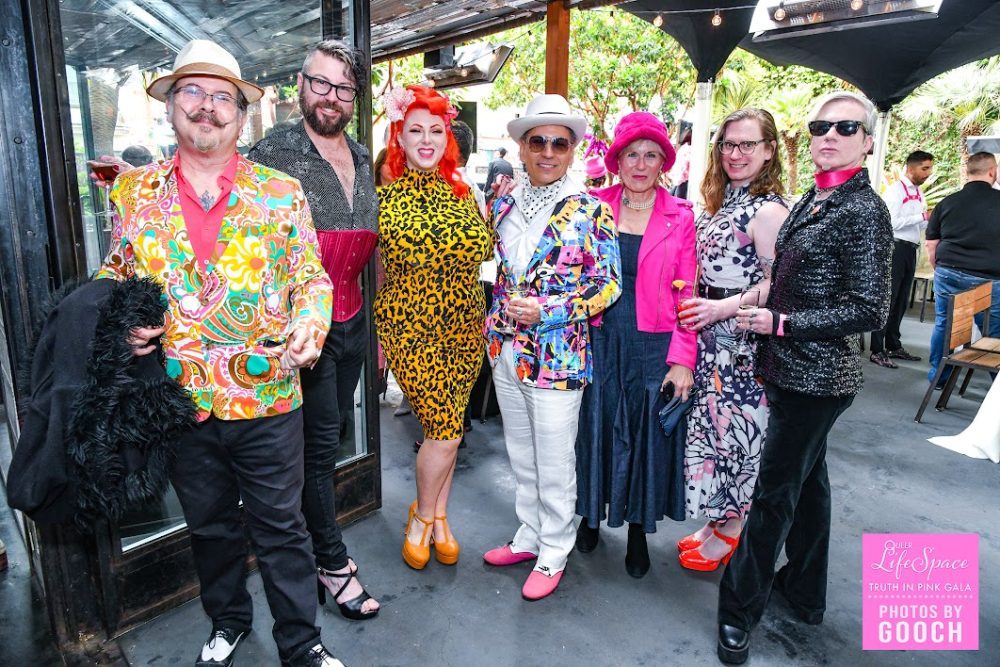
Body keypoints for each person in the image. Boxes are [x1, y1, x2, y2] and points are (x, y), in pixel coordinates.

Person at [95, 39, 343, 667]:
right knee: (208, 528)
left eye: (220, 96)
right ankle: (227, 621)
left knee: (283, 531)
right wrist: (121, 325)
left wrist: (311, 325)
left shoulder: (282, 193)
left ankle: (302, 643)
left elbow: (311, 278)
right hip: (179, 403)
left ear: (241, 111)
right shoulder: (133, 195)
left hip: (268, 393)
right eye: (192, 93)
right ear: (172, 106)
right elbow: (115, 277)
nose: (206, 107)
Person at [716, 91, 892, 665]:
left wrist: (781, 322)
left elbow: (870, 308)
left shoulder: (864, 210)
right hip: (789, 368)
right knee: (810, 488)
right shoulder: (814, 200)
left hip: (817, 378)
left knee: (773, 495)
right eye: (820, 126)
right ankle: (806, 593)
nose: (830, 135)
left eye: (846, 127)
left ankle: (737, 611)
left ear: (867, 142)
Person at [247, 39, 380, 621]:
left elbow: (366, 252)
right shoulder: (269, 152)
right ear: (300, 85)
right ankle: (331, 563)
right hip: (305, 331)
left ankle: (310, 552)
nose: (330, 97)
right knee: (321, 446)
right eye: (320, 84)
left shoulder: (363, 153)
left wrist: (372, 334)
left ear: (354, 96)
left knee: (325, 442)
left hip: (352, 323)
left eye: (342, 88)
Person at [482, 94, 621, 601]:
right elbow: (496, 272)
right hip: (504, 351)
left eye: (558, 143)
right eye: (537, 141)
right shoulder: (502, 204)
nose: (547, 151)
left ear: (571, 151)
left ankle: (554, 550)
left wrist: (551, 310)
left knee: (555, 460)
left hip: (558, 357)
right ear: (521, 147)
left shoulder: (591, 211)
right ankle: (529, 534)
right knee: (520, 454)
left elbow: (608, 285)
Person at [374, 85, 493, 571]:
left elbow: (484, 253)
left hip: (465, 327)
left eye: (436, 131)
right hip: (410, 328)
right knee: (444, 430)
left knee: (444, 429)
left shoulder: (467, 194)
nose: (426, 139)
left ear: (449, 138)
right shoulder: (383, 200)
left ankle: (440, 517)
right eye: (415, 130)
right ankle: (423, 518)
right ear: (399, 137)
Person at [574, 111, 696, 579]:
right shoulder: (591, 205)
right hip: (599, 337)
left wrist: (683, 359)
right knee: (596, 427)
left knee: (643, 439)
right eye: (631, 154)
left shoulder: (680, 216)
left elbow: (688, 293)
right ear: (617, 160)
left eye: (650, 155)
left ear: (663, 162)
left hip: (653, 343)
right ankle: (588, 514)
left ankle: (638, 531)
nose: (640, 164)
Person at [676, 108, 788, 572]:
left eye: (747, 144)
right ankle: (719, 519)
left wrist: (725, 307)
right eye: (728, 144)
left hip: (741, 342)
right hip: (710, 339)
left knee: (742, 435)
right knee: (715, 431)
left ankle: (734, 530)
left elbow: (780, 284)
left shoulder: (768, 209)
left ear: (768, 151)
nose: (735, 154)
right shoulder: (723, 201)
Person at [924, 151, 1000, 387]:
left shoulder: (947, 202)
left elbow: (931, 243)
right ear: (992, 171)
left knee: (945, 324)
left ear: (967, 172)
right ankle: (995, 385)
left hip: (948, 272)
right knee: (993, 330)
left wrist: (940, 269)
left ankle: (939, 377)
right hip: (990, 278)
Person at [869, 150, 934, 368]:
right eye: (924, 168)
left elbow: (918, 223)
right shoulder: (895, 191)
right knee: (889, 298)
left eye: (930, 168)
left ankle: (894, 345)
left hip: (910, 249)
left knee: (902, 299)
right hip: (894, 248)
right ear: (910, 168)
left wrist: (930, 219)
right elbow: (890, 223)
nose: (928, 173)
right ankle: (877, 350)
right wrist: (922, 216)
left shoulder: (919, 193)